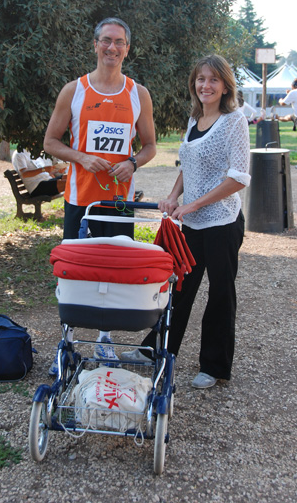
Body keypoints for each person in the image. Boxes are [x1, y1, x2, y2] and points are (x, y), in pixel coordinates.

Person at [121, 54, 251, 389]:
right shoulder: (195, 119)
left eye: (213, 80)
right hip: (192, 224)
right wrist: (175, 196)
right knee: (178, 289)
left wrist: (193, 204)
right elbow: (188, 165)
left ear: (225, 86)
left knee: (221, 294)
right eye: (200, 79)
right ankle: (156, 350)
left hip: (222, 223)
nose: (205, 85)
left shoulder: (234, 120)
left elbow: (239, 178)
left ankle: (215, 366)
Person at [44, 17, 156, 367]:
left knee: (114, 273)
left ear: (127, 48)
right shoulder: (73, 91)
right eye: (106, 40)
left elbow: (150, 146)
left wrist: (133, 163)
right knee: (75, 274)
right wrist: (81, 157)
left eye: (119, 42)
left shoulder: (138, 94)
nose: (112, 47)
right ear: (95, 45)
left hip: (119, 203)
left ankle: (104, 340)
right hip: (81, 200)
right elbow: (50, 141)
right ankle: (67, 344)